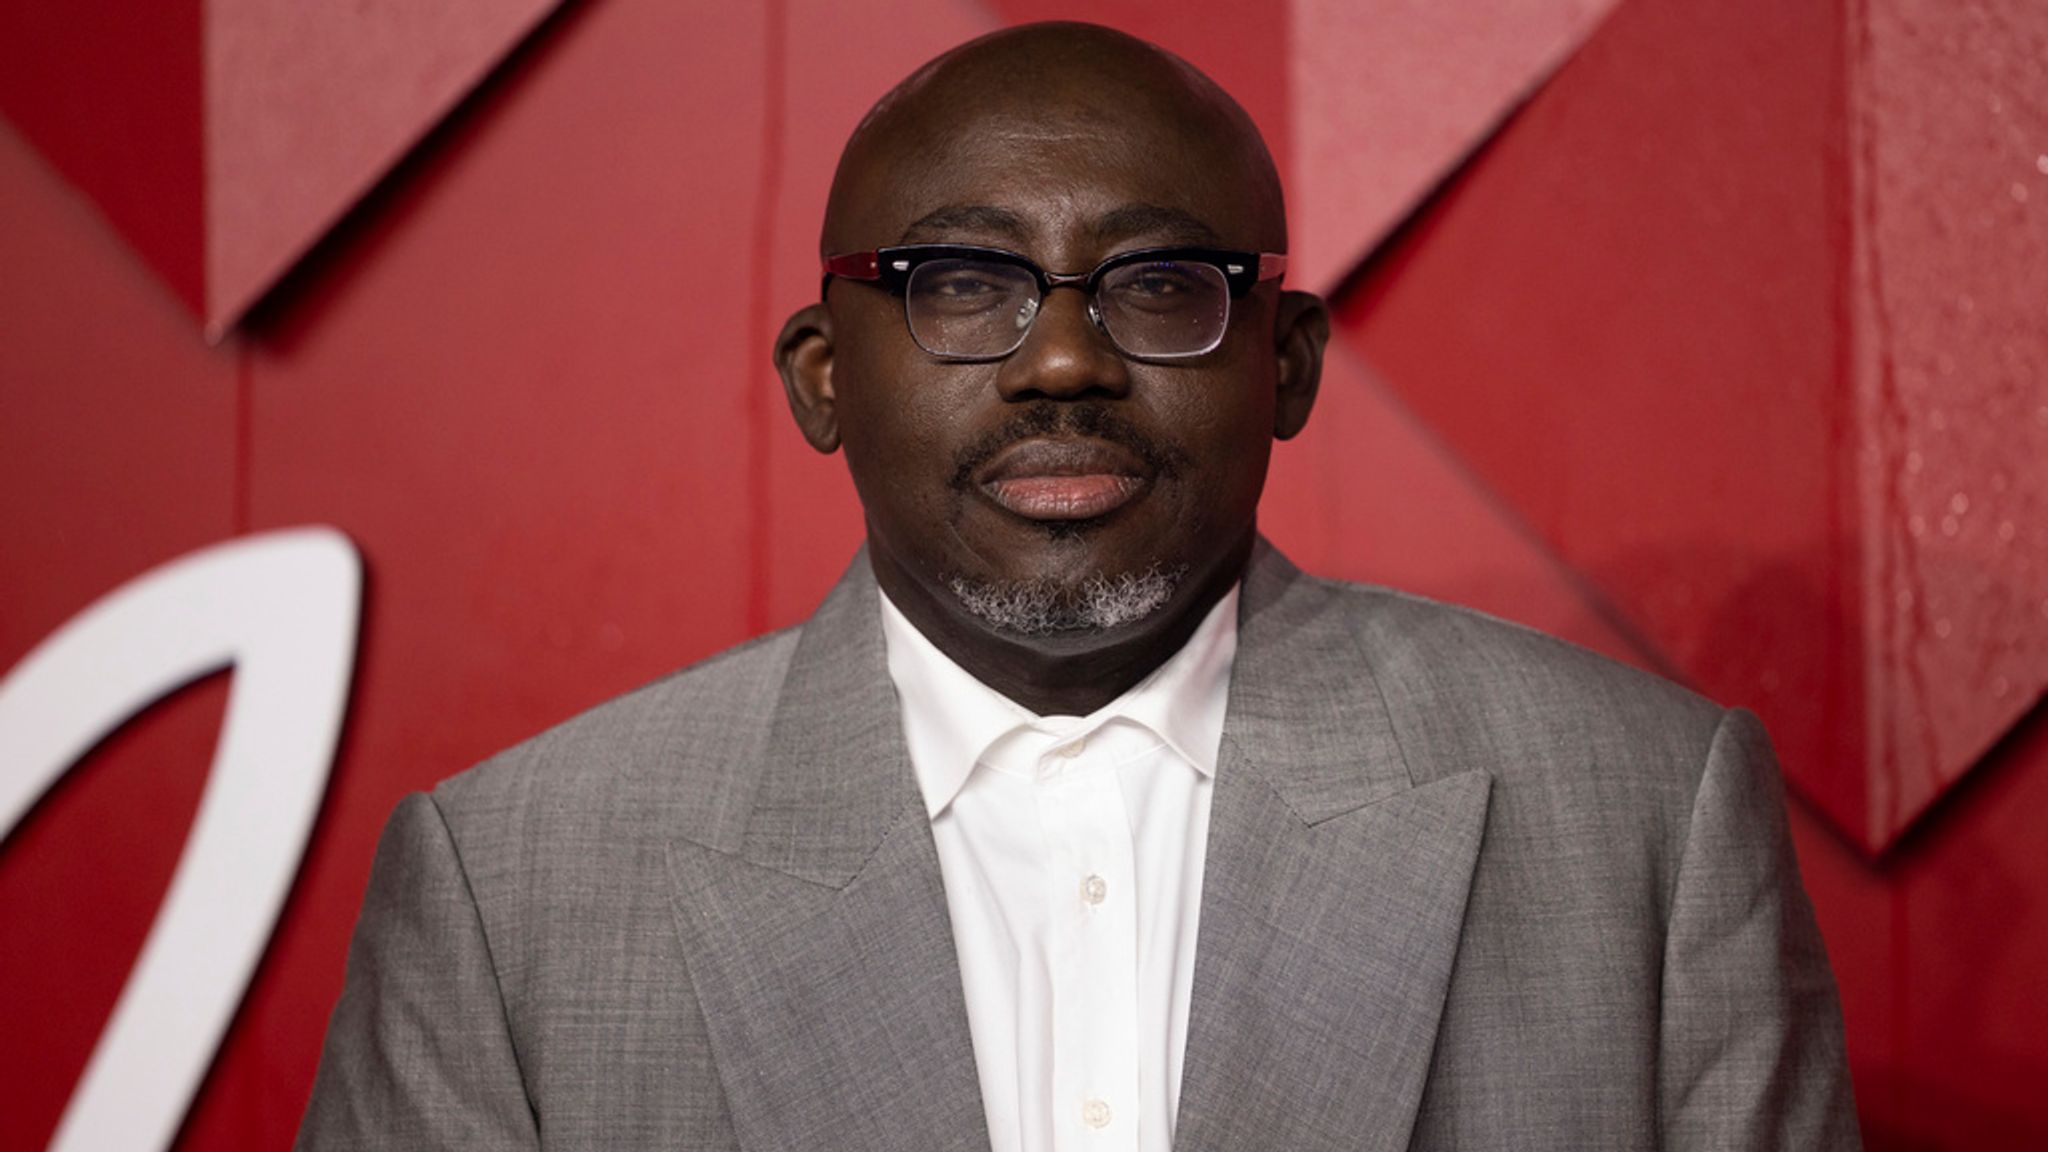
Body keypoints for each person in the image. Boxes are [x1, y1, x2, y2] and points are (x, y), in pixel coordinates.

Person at [297, 21, 1859, 1152]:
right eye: (959, 284)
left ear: (1287, 364)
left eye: (1163, 285)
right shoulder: (511, 889)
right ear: (824, 377)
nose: (1062, 360)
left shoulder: (1648, 821)